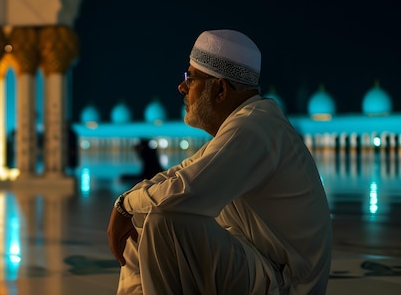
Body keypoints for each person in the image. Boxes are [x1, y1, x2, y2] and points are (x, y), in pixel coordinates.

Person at [107, 29, 332, 294]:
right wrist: (127, 204)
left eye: (190, 78)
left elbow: (186, 190)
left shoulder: (253, 127)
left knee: (163, 218)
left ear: (221, 89)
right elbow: (178, 175)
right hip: (259, 263)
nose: (181, 87)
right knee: (144, 214)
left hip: (286, 283)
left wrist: (124, 206)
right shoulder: (249, 123)